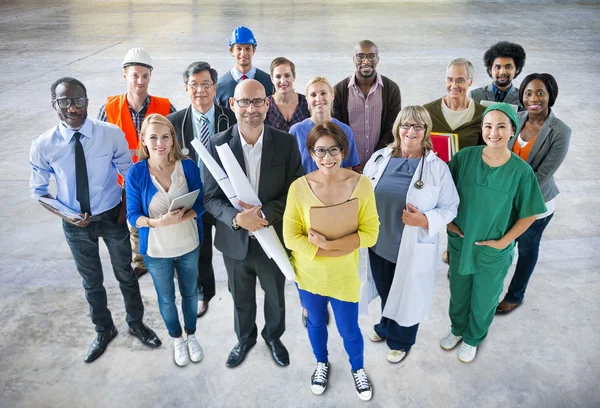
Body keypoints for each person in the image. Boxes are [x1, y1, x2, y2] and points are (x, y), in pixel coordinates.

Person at [30, 77, 161, 363]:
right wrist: (66, 214)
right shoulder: (43, 145)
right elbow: (39, 191)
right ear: (55, 105)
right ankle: (104, 329)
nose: (73, 108)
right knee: (91, 281)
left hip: (112, 217)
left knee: (126, 273)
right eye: (65, 102)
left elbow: (131, 175)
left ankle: (136, 323)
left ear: (87, 101)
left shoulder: (110, 134)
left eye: (78, 100)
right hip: (75, 225)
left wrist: (125, 207)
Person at [203, 79, 304, 368]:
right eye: (244, 102)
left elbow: (295, 190)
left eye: (258, 101)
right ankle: (244, 339)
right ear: (233, 105)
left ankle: (274, 336)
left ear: (267, 103)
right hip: (235, 241)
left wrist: (264, 215)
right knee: (241, 297)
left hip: (272, 237)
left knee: (275, 295)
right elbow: (211, 198)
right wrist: (237, 219)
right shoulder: (217, 144)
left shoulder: (285, 142)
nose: (251, 109)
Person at [440, 103, 546, 363]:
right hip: (462, 242)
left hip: (493, 250)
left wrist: (505, 242)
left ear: (512, 130)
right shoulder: (464, 158)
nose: (494, 132)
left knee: (485, 296)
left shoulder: (521, 172)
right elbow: (443, 193)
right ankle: (456, 329)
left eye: (501, 126)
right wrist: (447, 224)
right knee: (459, 290)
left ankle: (473, 338)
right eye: (488, 126)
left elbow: (530, 213)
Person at [283, 122, 379, 400]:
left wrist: (330, 245)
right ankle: (321, 362)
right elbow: (291, 237)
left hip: (344, 275)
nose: (328, 157)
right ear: (311, 153)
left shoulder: (362, 185)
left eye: (334, 149)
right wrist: (326, 251)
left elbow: (371, 233)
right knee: (315, 323)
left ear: (343, 150)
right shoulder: (298, 188)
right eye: (320, 151)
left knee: (349, 329)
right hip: (309, 275)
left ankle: (358, 368)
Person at [362, 106, 459, 363]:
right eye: (406, 125)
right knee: (386, 290)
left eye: (418, 126)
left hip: (412, 246)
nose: (411, 131)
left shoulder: (436, 168)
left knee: (408, 294)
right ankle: (385, 326)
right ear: (397, 128)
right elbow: (363, 191)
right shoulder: (380, 157)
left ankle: (400, 341)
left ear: (426, 131)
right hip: (378, 243)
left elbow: (450, 207)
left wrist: (425, 219)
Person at [126, 114, 205, 367]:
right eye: (153, 137)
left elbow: (202, 204)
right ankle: (176, 338)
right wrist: (158, 223)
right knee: (167, 298)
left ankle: (191, 335)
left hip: (188, 244)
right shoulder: (137, 173)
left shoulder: (189, 167)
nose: (160, 142)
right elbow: (133, 215)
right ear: (144, 141)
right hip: (157, 250)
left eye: (165, 137)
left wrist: (185, 216)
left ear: (173, 139)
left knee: (190, 295)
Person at [98, 47, 176, 278]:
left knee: (163, 221)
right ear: (125, 75)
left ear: (150, 76)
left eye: (144, 75)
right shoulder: (110, 109)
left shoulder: (164, 107)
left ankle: (168, 260)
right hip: (124, 181)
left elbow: (175, 140)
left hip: (158, 177)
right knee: (135, 225)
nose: (140, 81)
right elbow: (100, 148)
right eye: (135, 75)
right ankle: (141, 262)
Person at [497, 73, 571, 314]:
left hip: (536, 204)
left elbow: (543, 174)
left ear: (551, 96)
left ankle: (515, 295)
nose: (533, 98)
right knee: (503, 246)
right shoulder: (515, 119)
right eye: (528, 93)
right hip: (505, 199)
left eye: (540, 93)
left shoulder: (560, 131)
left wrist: (510, 196)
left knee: (526, 249)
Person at [167, 61, 237, 317]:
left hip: (227, 197)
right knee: (198, 252)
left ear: (215, 87)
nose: (200, 90)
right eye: (194, 85)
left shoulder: (231, 117)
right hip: (193, 198)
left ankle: (237, 289)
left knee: (233, 247)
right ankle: (202, 293)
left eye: (206, 84)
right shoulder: (173, 123)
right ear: (186, 88)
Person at [333, 40, 401, 171]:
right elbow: (338, 131)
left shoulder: (391, 89)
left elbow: (392, 129)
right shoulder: (339, 91)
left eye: (371, 56)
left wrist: (376, 161)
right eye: (360, 56)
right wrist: (351, 161)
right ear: (354, 59)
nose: (366, 61)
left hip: (381, 165)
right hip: (349, 165)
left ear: (377, 59)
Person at [290, 77, 360, 175]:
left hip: (336, 188)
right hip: (305, 188)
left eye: (323, 93)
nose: (318, 98)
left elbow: (348, 168)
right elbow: (290, 168)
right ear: (307, 100)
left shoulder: (346, 130)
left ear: (332, 96)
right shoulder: (296, 131)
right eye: (313, 95)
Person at [423, 58, 487, 150]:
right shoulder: (427, 111)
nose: (453, 85)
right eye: (450, 80)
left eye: (460, 80)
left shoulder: (483, 114)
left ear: (470, 82)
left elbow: (486, 152)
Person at [215, 26, 273, 107]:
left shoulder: (269, 83)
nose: (243, 53)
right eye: (239, 48)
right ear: (231, 51)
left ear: (254, 50)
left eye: (248, 48)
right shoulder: (220, 87)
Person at [470, 41, 526, 109]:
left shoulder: (523, 98)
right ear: (490, 70)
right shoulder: (474, 96)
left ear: (517, 69)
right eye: (497, 67)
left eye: (508, 67)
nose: (502, 72)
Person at [265, 57, 310, 132]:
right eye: (278, 76)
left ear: (294, 77)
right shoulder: (265, 105)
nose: (283, 81)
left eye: (287, 75)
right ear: (272, 78)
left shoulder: (307, 102)